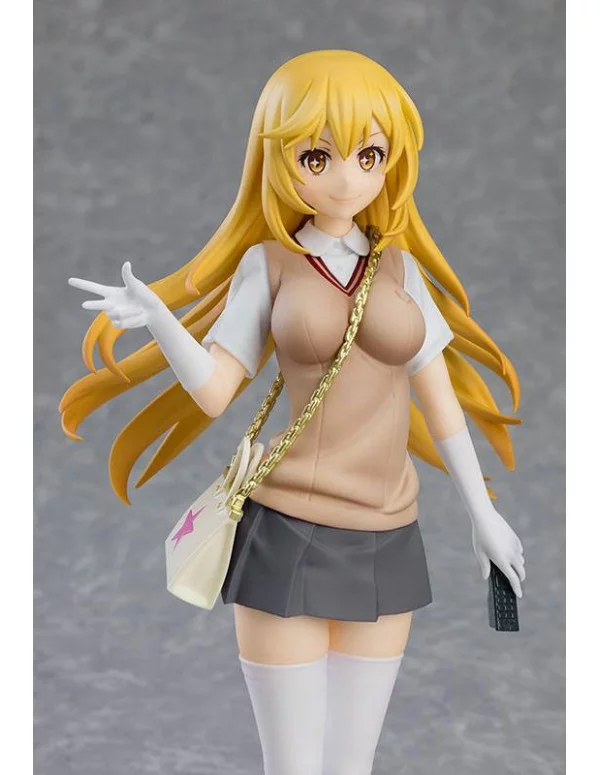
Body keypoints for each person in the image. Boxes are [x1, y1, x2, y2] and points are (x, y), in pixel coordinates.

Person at [62, 50, 526, 775]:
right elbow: (215, 390)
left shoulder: (400, 271)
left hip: (387, 534)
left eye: (369, 154)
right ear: (278, 158)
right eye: (318, 156)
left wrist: (482, 513)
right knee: (293, 765)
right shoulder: (270, 265)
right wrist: (161, 321)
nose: (347, 178)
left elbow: (442, 407)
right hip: (287, 534)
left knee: (351, 763)